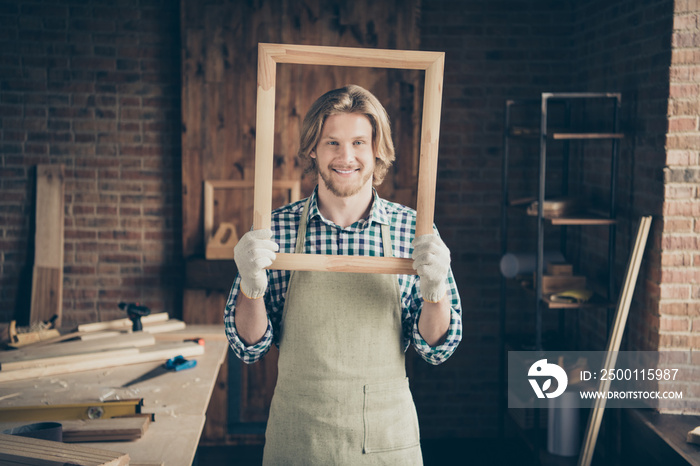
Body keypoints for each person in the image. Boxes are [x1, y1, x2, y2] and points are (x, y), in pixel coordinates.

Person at [224, 84, 462, 465]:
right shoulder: (275, 232)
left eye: (359, 143)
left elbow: (435, 348)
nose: (346, 156)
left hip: (387, 442)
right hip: (299, 441)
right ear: (313, 150)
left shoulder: (414, 233)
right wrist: (251, 289)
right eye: (332, 143)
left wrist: (436, 291)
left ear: (376, 150)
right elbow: (249, 347)